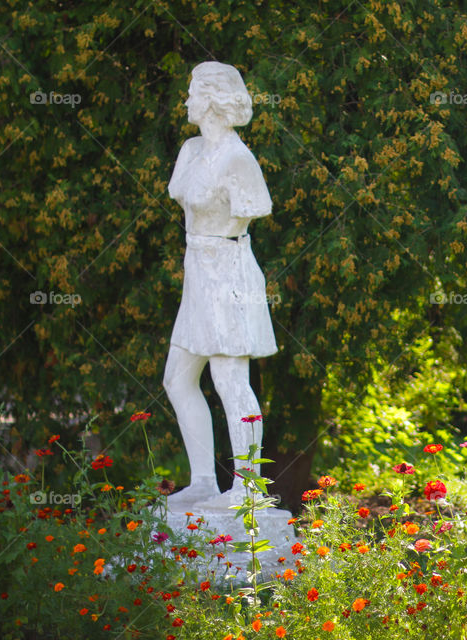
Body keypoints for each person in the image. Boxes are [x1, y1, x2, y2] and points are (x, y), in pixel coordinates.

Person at [162, 61, 277, 510]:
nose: (187, 99)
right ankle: (205, 481)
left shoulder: (236, 157)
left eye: (192, 91)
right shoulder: (191, 150)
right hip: (198, 270)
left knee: (230, 379)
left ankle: (248, 488)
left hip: (228, 267)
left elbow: (256, 206)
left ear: (210, 98)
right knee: (177, 379)